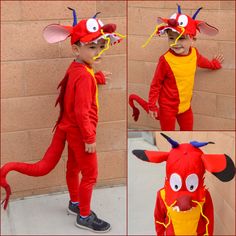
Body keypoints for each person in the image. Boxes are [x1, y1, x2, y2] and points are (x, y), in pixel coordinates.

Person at [0, 7, 124, 234]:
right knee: (90, 175)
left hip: (68, 128)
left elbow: (74, 86)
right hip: (79, 131)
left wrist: (96, 77)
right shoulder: (83, 75)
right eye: (91, 46)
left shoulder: (79, 68)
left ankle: (75, 203)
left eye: (100, 45)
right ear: (76, 48)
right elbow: (80, 109)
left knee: (72, 168)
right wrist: (89, 136)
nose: (97, 51)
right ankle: (84, 216)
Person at [129, 5, 224, 131]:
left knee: (188, 132)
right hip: (167, 108)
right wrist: (152, 106)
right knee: (168, 133)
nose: (175, 42)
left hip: (186, 107)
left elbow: (205, 63)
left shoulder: (195, 54)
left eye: (182, 38)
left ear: (193, 40)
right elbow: (156, 84)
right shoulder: (165, 60)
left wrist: (215, 64)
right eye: (171, 38)